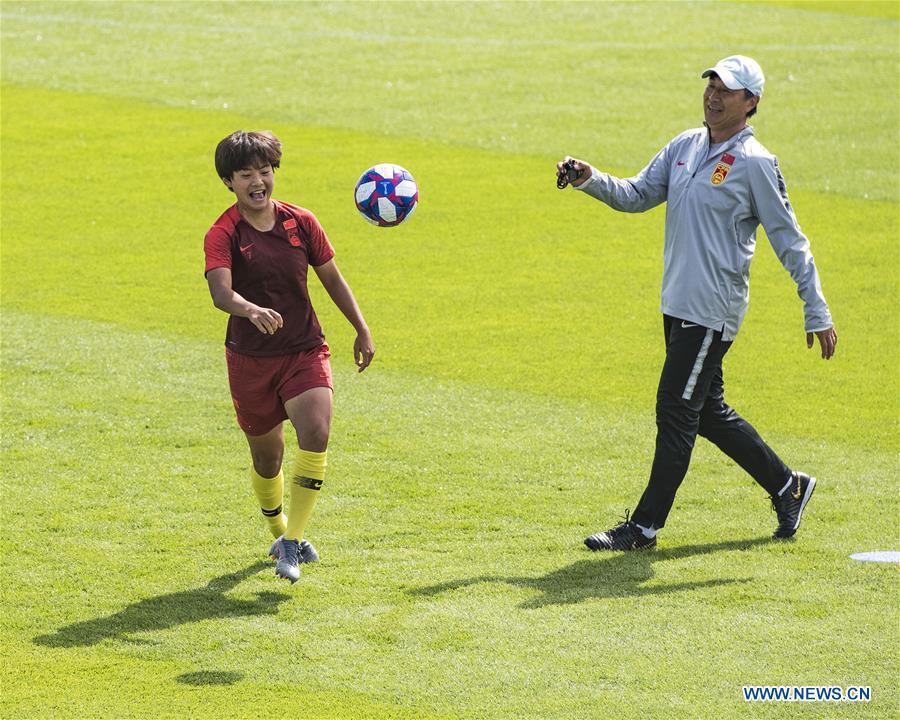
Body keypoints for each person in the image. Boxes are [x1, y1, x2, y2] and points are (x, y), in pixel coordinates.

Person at [557, 55, 837, 551]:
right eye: (710, 84)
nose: (713, 94)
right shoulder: (685, 145)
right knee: (706, 411)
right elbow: (638, 193)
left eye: (726, 90)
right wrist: (588, 177)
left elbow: (790, 240)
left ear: (750, 102)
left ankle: (642, 528)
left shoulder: (756, 164)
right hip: (677, 303)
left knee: (675, 411)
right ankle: (787, 485)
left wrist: (815, 309)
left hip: (711, 312)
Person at [204, 130, 375, 581]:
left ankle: (294, 543)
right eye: (246, 174)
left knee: (316, 433)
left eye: (265, 171)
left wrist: (360, 327)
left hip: (304, 348)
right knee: (268, 459)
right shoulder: (223, 232)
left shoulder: (300, 222)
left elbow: (332, 279)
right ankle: (279, 529)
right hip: (250, 360)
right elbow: (221, 293)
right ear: (229, 181)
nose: (258, 181)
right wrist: (250, 308)